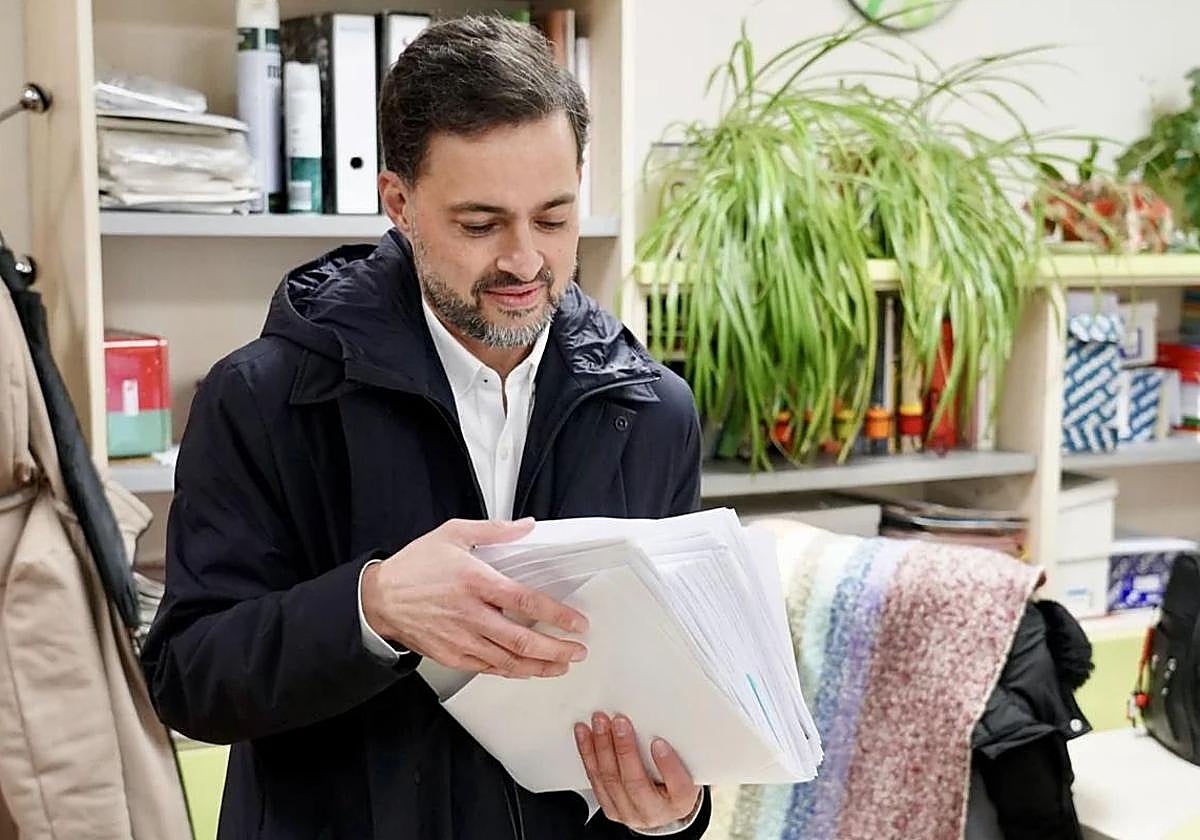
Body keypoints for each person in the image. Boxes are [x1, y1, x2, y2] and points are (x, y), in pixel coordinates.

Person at [140, 15, 710, 840]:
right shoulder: (262, 398)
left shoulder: (654, 413)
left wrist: (674, 814)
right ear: (399, 204)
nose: (524, 261)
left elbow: (679, 697)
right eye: (480, 225)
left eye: (554, 218)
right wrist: (372, 608)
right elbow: (187, 678)